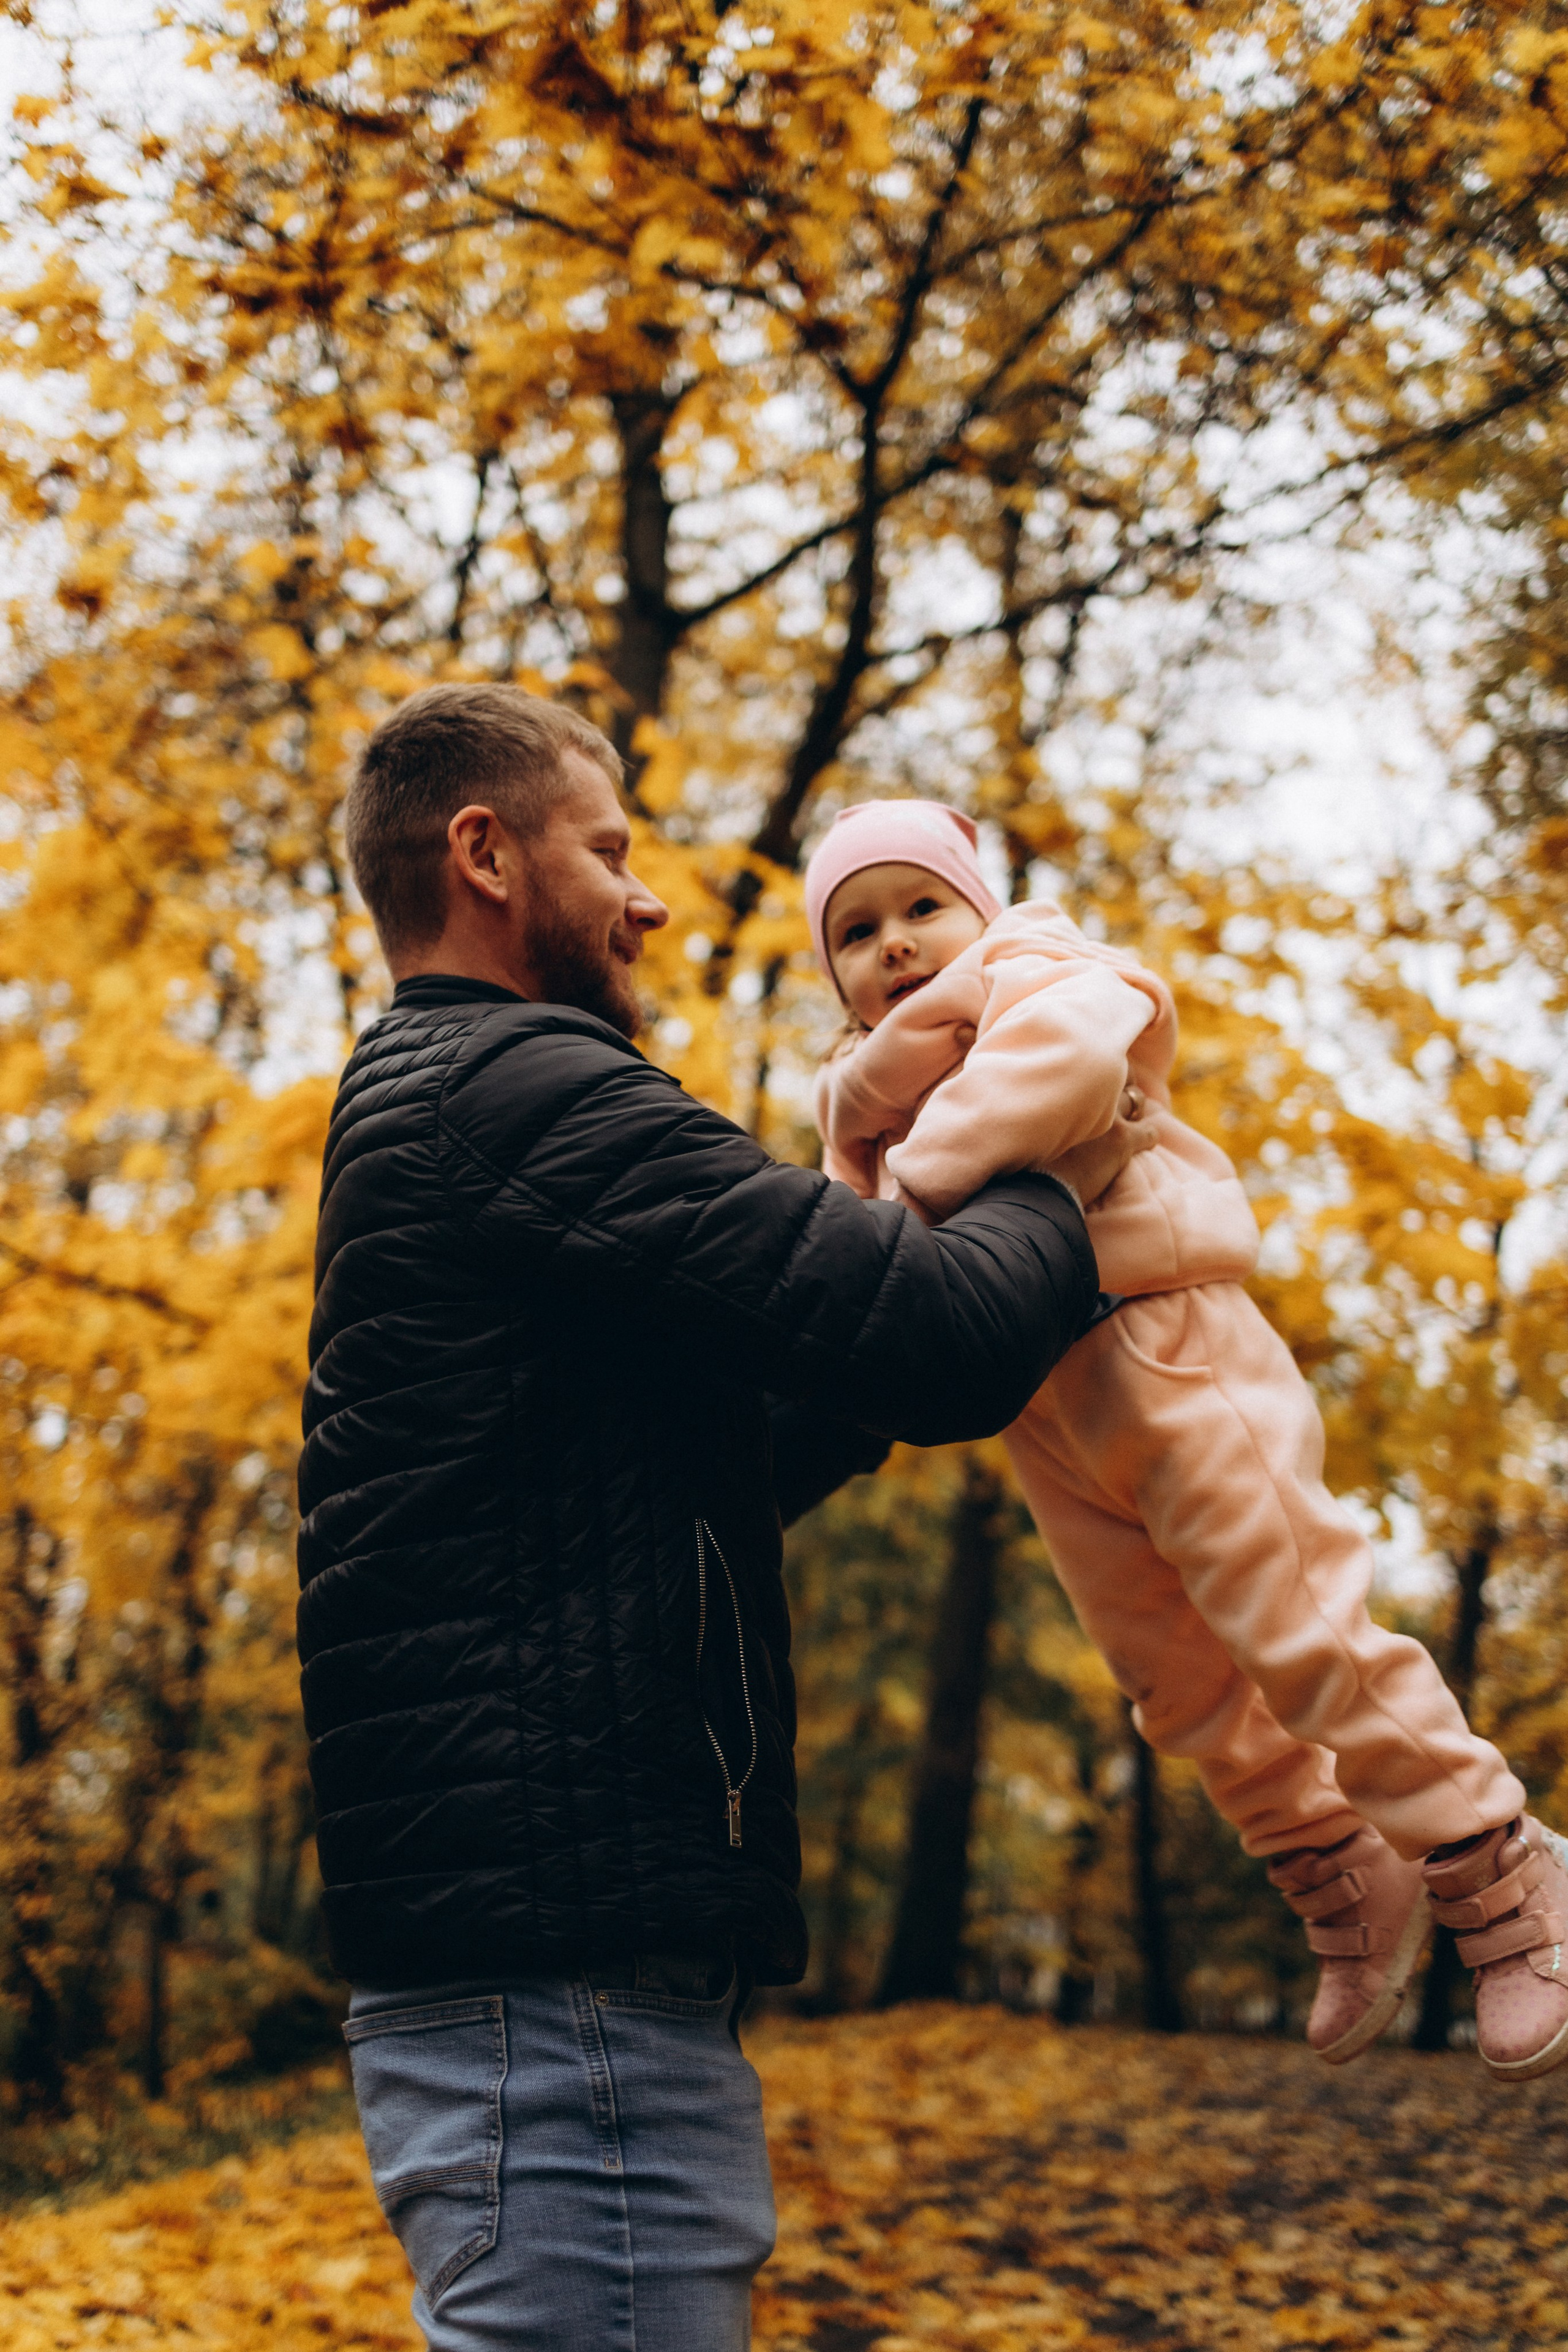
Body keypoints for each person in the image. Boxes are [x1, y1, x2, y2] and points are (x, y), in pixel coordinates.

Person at [299, 686, 1145, 2352]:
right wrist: (1074, 1154)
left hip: (541, 1981)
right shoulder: (516, 1088)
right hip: (562, 1991)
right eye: (608, 852)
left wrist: (870, 1322)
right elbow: (935, 1331)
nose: (649, 900)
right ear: (485, 855)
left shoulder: (444, 1103)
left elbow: (718, 1459)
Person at [805, 796, 1568, 2085]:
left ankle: (1497, 1860)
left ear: (977, 913)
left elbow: (1057, 1071)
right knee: (1169, 1679)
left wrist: (916, 1185)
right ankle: (1334, 1859)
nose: (895, 944)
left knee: (1295, 1618)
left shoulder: (1035, 971)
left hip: (1164, 1336)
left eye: (921, 906)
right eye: (856, 930)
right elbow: (865, 1271)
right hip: (1045, 1401)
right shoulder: (859, 1098)